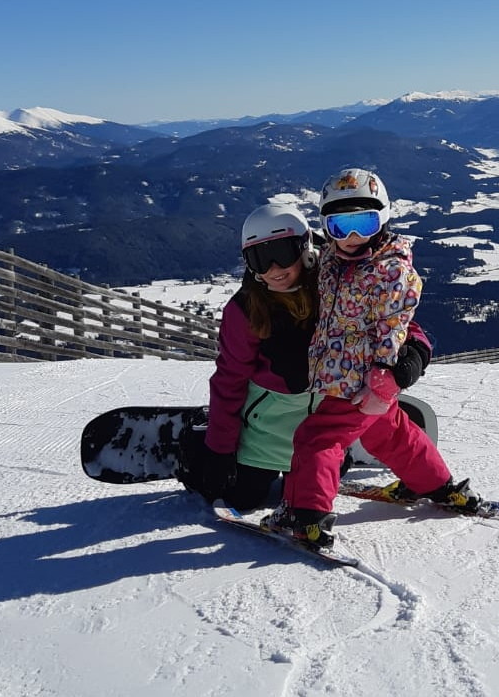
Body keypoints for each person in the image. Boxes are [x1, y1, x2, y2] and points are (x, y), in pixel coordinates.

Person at [263, 167, 483, 548]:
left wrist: (385, 373)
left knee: (316, 439)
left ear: (382, 219)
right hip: (340, 374)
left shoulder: (391, 271)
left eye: (362, 223)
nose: (350, 237)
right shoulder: (335, 258)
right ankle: (438, 485)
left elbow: (393, 326)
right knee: (392, 435)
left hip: (360, 380)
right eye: (339, 226)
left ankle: (306, 515)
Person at [179, 203, 432, 510]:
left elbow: (396, 319)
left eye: (283, 253)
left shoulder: (336, 281)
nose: (274, 268)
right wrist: (219, 450)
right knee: (242, 497)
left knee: (319, 479)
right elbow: (229, 379)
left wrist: (415, 351)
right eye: (259, 259)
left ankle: (338, 457)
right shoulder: (246, 310)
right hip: (266, 426)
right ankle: (196, 442)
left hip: (322, 420)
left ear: (305, 245)